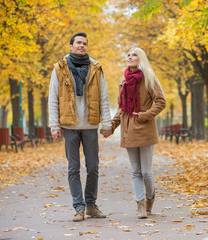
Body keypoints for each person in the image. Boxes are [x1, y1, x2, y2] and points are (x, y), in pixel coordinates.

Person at [48, 32, 112, 222]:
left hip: (90, 124)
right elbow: (53, 98)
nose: (81, 46)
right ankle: (79, 207)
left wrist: (106, 123)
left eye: (84, 43)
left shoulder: (96, 67)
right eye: (78, 43)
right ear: (71, 46)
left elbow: (104, 97)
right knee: (73, 168)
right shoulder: (59, 68)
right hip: (69, 125)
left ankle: (91, 205)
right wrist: (54, 125)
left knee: (93, 167)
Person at [108, 47, 166, 219]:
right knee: (135, 171)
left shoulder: (149, 78)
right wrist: (112, 125)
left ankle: (150, 200)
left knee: (146, 172)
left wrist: (144, 115)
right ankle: (140, 206)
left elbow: (161, 102)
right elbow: (122, 107)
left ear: (141, 59)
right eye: (128, 54)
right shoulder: (122, 80)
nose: (130, 57)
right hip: (128, 129)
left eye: (134, 55)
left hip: (145, 127)